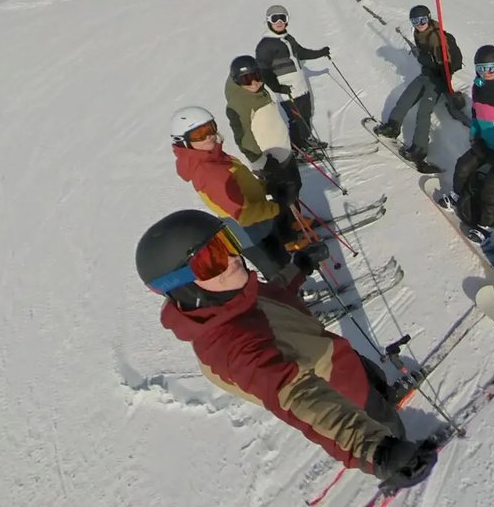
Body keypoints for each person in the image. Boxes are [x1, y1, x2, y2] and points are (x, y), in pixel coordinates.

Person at [135, 210, 437, 488]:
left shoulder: (228, 297)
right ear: (184, 285)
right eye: (211, 259)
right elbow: (296, 395)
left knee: (373, 381)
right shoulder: (229, 346)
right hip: (334, 392)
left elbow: (273, 295)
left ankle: (383, 404)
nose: (233, 258)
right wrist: (377, 450)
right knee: (380, 416)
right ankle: (396, 438)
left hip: (335, 357)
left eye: (226, 242)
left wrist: (299, 268)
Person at [170, 106, 291, 279]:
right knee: (276, 269)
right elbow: (244, 214)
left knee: (281, 262)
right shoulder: (209, 172)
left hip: (258, 222)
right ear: (183, 141)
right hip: (250, 232)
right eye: (199, 134)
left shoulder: (213, 156)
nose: (209, 136)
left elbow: (240, 185)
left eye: (210, 128)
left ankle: (293, 290)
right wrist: (279, 206)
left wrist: (266, 186)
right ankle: (289, 299)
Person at [436, 46, 494, 241]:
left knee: (491, 183)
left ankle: (489, 224)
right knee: (463, 165)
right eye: (482, 68)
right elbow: (477, 116)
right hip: (487, 143)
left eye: (491, 68)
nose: (486, 73)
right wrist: (475, 138)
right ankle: (456, 195)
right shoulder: (478, 87)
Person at [224, 55, 308, 247]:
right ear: (237, 80)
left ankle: (297, 223)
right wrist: (262, 160)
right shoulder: (238, 104)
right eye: (246, 79)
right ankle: (287, 238)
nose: (253, 83)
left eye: (256, 76)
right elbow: (243, 138)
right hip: (268, 161)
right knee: (279, 200)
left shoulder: (260, 91)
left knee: (294, 187)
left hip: (282, 152)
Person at [373, 5, 461, 170]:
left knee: (424, 112)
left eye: (422, 20)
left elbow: (445, 63)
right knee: (406, 97)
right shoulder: (419, 33)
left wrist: (439, 71)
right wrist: (425, 61)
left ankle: (419, 149)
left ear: (428, 18)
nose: (419, 24)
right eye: (415, 21)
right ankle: (392, 126)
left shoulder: (437, 38)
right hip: (427, 74)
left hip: (439, 79)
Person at [255, 5, 331, 151]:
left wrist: (320, 53)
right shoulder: (265, 45)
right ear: (268, 21)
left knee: (306, 114)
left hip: (300, 87)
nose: (279, 21)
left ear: (287, 20)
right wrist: (278, 88)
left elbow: (300, 52)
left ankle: (306, 141)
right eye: (274, 18)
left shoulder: (288, 38)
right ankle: (297, 150)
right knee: (296, 120)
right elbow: (264, 72)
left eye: (282, 18)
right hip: (287, 91)